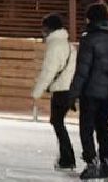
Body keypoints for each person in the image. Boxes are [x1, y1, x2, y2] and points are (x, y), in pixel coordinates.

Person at [68, 2, 108, 181]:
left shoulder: (88, 38)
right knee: (102, 126)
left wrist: (73, 93)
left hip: (90, 91)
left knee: (86, 127)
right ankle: (105, 162)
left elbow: (83, 70)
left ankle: (91, 162)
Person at [31, 13, 77, 172]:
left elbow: (49, 71)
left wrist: (37, 92)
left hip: (60, 90)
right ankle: (66, 157)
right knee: (57, 122)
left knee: (57, 123)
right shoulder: (68, 45)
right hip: (68, 89)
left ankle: (67, 158)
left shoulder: (55, 46)